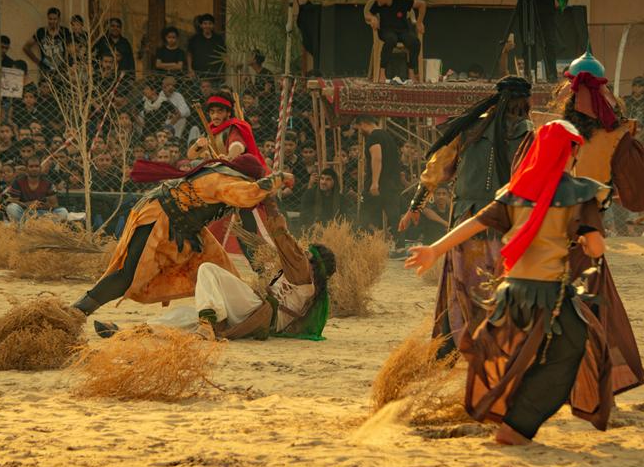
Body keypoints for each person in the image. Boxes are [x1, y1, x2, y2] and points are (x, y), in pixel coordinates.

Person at [403, 104, 616, 444]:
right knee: (569, 351)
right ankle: (516, 426)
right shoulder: (580, 194)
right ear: (571, 152)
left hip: (511, 294)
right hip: (550, 295)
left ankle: (509, 418)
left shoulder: (515, 193)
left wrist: (434, 250)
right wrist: (581, 240)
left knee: (522, 357)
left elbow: (473, 224)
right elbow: (596, 249)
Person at [399, 76, 534, 359]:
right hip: (507, 223)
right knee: (500, 286)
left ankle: (453, 346)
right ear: (525, 102)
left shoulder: (471, 127)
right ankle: (493, 347)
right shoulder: (529, 134)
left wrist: (415, 205)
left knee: (460, 286)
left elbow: (437, 168)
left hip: (466, 221)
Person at [70, 154, 292, 321]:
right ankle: (77, 312)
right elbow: (250, 193)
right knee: (128, 275)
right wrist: (280, 177)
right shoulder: (224, 181)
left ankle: (238, 314)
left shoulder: (224, 174)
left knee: (220, 267)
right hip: (159, 218)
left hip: (184, 227)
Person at [149, 207, 335, 341]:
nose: (302, 254)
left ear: (315, 266)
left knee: (207, 269)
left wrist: (270, 204)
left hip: (259, 311)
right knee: (185, 315)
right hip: (255, 313)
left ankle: (209, 324)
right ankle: (150, 327)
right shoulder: (301, 280)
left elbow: (284, 241)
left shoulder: (303, 275)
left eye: (307, 254)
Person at [354, 115, 404, 239]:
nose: (359, 132)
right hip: (391, 184)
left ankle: (362, 242)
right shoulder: (388, 137)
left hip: (378, 184)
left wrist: (374, 182)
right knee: (394, 218)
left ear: (363, 123)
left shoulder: (373, 137)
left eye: (358, 128)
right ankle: (400, 245)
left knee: (364, 216)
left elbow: (377, 158)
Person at [364, 0, 427, 82]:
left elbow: (422, 4)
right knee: (391, 40)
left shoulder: (401, 2)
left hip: (403, 31)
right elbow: (367, 14)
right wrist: (372, 18)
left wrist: (419, 22)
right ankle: (382, 72)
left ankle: (411, 71)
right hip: (386, 31)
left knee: (415, 42)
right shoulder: (378, 4)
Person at [4, 157, 68, 222]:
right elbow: (13, 201)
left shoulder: (48, 183)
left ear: (40, 168)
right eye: (31, 166)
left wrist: (41, 205)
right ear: (26, 169)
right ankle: (28, 224)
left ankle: (40, 224)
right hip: (25, 212)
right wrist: (27, 204)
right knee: (11, 208)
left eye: (37, 166)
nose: (34, 169)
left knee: (63, 212)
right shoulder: (18, 182)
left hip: (44, 214)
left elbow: (54, 204)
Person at [25, 7, 73, 77]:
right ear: (47, 18)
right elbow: (26, 47)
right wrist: (38, 62)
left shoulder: (65, 32)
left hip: (61, 70)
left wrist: (67, 63)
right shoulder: (41, 32)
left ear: (59, 19)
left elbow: (72, 49)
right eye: (50, 19)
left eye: (55, 19)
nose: (52, 21)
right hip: (46, 70)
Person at [187, 14, 226, 80]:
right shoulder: (194, 39)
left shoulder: (219, 39)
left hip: (215, 76)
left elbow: (224, 56)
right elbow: (189, 54)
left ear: (213, 25)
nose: (207, 26)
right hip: (198, 75)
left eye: (210, 23)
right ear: (201, 25)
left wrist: (231, 66)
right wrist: (190, 69)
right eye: (205, 23)